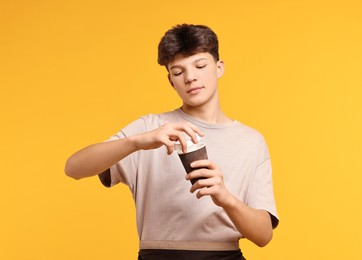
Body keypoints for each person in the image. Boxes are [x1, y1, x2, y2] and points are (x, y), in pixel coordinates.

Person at [65, 24, 279, 260]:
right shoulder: (150, 128)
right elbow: (73, 168)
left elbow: (263, 236)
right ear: (170, 81)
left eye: (200, 66)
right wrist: (137, 142)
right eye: (178, 72)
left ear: (219, 68)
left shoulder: (250, 141)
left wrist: (225, 197)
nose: (190, 77)